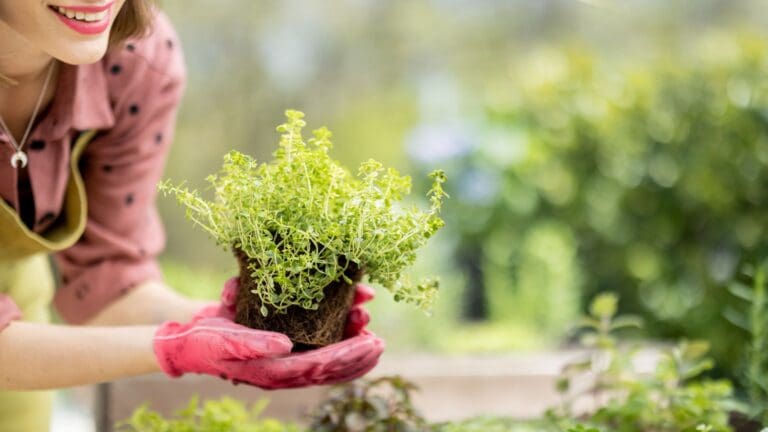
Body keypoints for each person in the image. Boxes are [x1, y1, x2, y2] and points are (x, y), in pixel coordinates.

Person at [0, 1, 385, 430]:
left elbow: (107, 284)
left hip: (19, 310)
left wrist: (220, 327)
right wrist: (173, 349)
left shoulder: (131, 60)